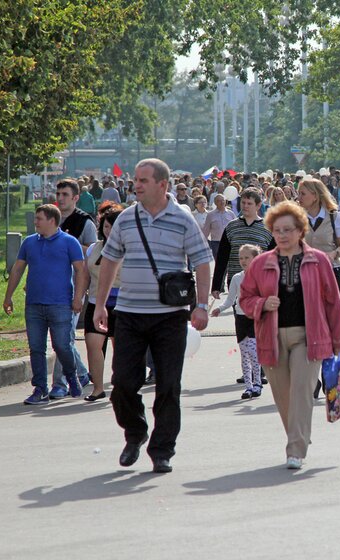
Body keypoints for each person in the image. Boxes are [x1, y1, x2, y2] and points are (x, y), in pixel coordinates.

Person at [93, 158, 213, 474]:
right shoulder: (126, 219)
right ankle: (135, 433)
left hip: (170, 316)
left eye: (144, 180)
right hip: (130, 314)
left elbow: (202, 261)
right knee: (122, 382)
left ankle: (162, 450)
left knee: (168, 385)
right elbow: (109, 261)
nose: (137, 184)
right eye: (136, 179)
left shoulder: (183, 219)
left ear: (163, 184)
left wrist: (201, 305)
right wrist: (101, 304)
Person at [239, 201, 340, 470]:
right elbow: (245, 299)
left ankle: (295, 450)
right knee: (283, 397)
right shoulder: (261, 263)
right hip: (271, 338)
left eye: (288, 229)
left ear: (301, 231)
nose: (283, 235)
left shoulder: (318, 260)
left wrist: (338, 341)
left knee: (301, 391)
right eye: (277, 230)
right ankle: (299, 434)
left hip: (309, 337)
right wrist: (262, 304)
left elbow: (333, 301)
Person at [3, 204, 87, 405]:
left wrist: (77, 298)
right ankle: (40, 389)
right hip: (33, 305)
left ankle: (71, 375)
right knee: (36, 348)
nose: (35, 222)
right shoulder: (29, 242)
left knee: (62, 346)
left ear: (52, 220)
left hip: (60, 305)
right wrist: (8, 296)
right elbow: (17, 269)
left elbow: (81, 271)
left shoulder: (69, 242)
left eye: (39, 218)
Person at [52, 179, 94, 397]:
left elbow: (95, 253)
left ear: (75, 197)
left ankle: (60, 383)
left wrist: (72, 246)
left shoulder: (84, 222)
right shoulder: (50, 218)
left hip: (76, 285)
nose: (60, 198)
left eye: (65, 194)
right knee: (64, 338)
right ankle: (82, 373)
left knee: (63, 337)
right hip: (52, 285)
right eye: (58, 193)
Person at [80, 206, 123, 402]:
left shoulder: (130, 248)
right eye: (106, 226)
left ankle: (121, 384)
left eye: (113, 227)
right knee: (92, 344)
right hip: (96, 303)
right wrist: (77, 297)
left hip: (122, 304)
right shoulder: (94, 249)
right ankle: (98, 388)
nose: (109, 231)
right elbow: (85, 275)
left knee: (121, 347)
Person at [212, 245, 263, 398]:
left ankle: (257, 383)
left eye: (247, 257)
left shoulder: (261, 276)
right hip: (240, 318)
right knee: (244, 353)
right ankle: (248, 386)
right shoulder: (236, 277)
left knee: (254, 351)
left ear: (256, 258)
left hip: (254, 318)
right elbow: (230, 299)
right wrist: (219, 309)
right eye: (241, 258)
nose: (243, 261)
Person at [211, 188, 275, 301]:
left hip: (260, 281)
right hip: (236, 280)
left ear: (258, 205)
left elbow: (274, 259)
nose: (245, 206)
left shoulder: (268, 228)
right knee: (240, 317)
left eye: (249, 203)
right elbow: (222, 257)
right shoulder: (231, 227)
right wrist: (216, 286)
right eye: (243, 203)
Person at [299, 177, 340, 296]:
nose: (299, 197)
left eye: (303, 194)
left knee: (333, 312)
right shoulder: (296, 218)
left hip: (330, 271)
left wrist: (334, 254)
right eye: (298, 193)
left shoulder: (334, 217)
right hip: (305, 271)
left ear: (315, 196)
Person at [202, 193, 237, 258]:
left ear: (225, 201)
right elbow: (206, 230)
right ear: (215, 203)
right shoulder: (211, 215)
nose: (221, 202)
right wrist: (202, 243)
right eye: (219, 201)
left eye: (223, 200)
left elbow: (235, 227)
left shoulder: (231, 214)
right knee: (218, 262)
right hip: (216, 243)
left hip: (228, 242)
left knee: (228, 261)